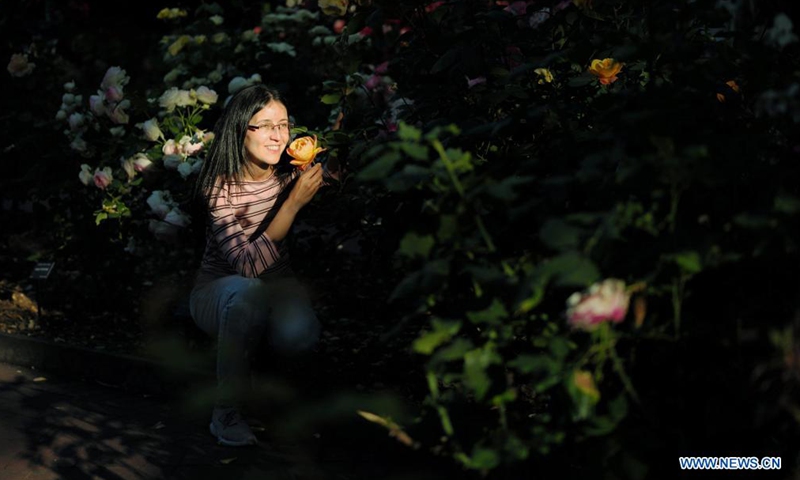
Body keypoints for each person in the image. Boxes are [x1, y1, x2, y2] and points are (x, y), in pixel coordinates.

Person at [189, 84, 326, 446]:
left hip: (279, 288)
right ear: (240, 129)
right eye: (265, 125)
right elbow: (246, 266)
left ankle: (269, 395)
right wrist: (293, 205)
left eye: (283, 125)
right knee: (247, 291)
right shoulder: (220, 189)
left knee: (299, 335)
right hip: (220, 290)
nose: (278, 136)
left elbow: (342, 171)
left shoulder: (291, 173)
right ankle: (226, 413)